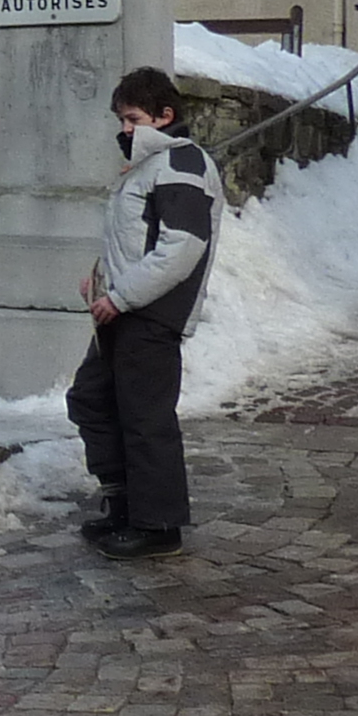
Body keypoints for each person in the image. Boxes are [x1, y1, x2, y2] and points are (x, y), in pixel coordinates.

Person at [72, 66, 220, 559]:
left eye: (133, 119)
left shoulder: (180, 164)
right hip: (126, 310)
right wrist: (101, 282)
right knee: (93, 399)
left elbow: (182, 247)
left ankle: (158, 525)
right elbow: (134, 242)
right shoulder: (150, 166)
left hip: (150, 315)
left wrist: (121, 297)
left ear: (165, 115)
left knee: (144, 417)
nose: (125, 129)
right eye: (121, 119)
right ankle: (124, 506)